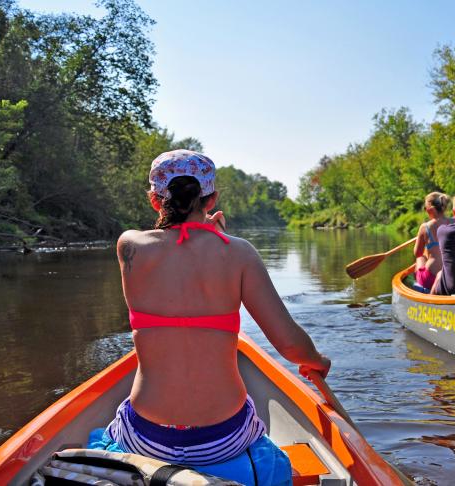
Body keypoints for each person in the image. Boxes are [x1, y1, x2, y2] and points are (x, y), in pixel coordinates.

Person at [103, 150, 330, 481]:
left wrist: (206, 228)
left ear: (155, 200)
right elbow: (290, 345)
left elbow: (172, 242)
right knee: (270, 455)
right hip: (223, 438)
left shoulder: (130, 248)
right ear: (211, 199)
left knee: (105, 433)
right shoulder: (238, 252)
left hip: (147, 437)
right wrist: (317, 361)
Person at [413, 192, 454, 292]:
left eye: (425, 208)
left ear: (430, 208)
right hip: (451, 277)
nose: (425, 210)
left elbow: (417, 253)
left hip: (430, 279)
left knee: (421, 257)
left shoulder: (425, 227)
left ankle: (419, 285)